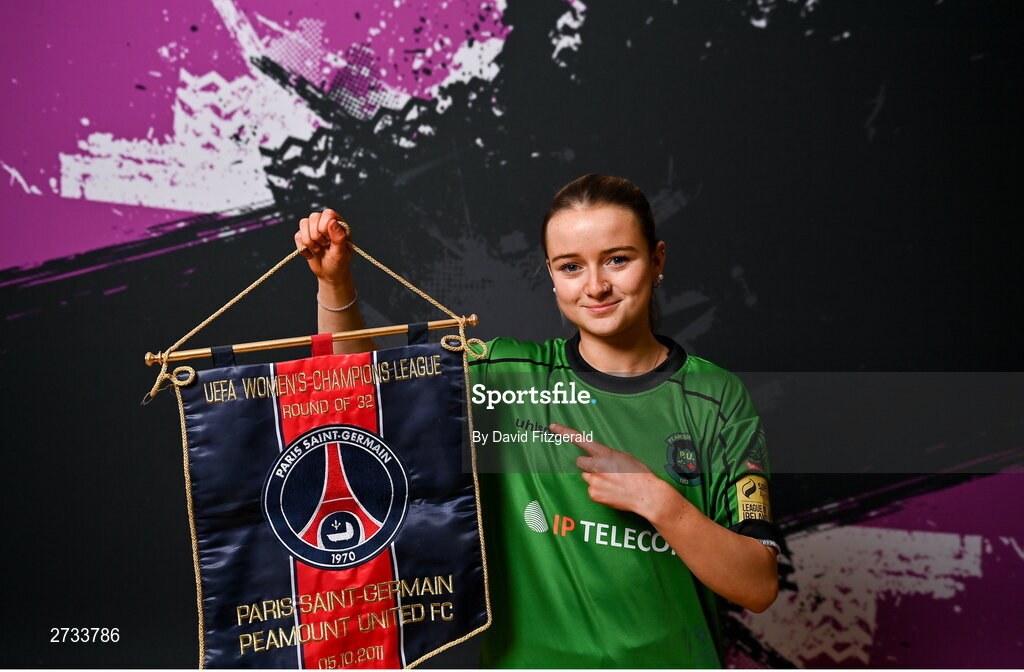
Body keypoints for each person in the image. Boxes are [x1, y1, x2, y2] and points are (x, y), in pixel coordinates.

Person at [295, 174, 779, 668]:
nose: (596, 286)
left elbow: (758, 586)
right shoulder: (505, 375)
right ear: (550, 274)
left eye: (618, 258)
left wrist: (659, 501)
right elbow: (362, 398)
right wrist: (336, 284)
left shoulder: (716, 398)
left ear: (656, 260)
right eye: (571, 266)